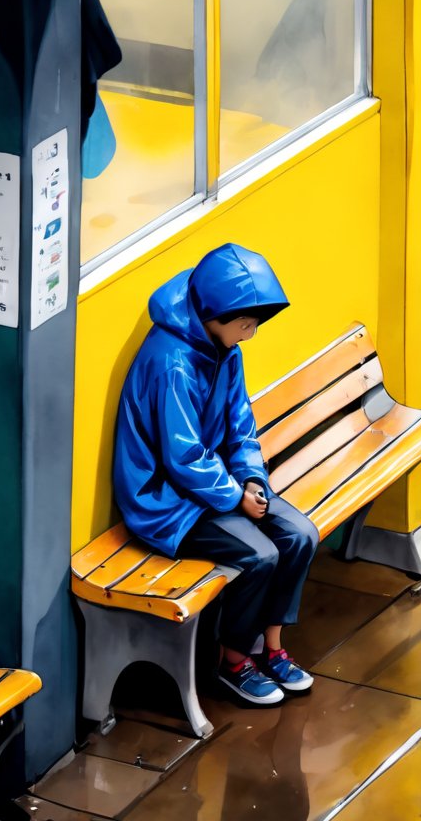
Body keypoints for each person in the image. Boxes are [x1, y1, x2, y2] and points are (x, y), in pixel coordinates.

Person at [112, 243, 316, 707]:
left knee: (300, 534)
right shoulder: (172, 363)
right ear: (214, 314)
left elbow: (241, 426)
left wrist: (252, 481)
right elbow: (182, 458)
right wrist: (234, 497)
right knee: (261, 555)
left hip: (214, 486)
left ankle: (272, 645)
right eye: (246, 322)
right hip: (166, 502)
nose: (251, 333)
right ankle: (233, 661)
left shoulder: (225, 348)